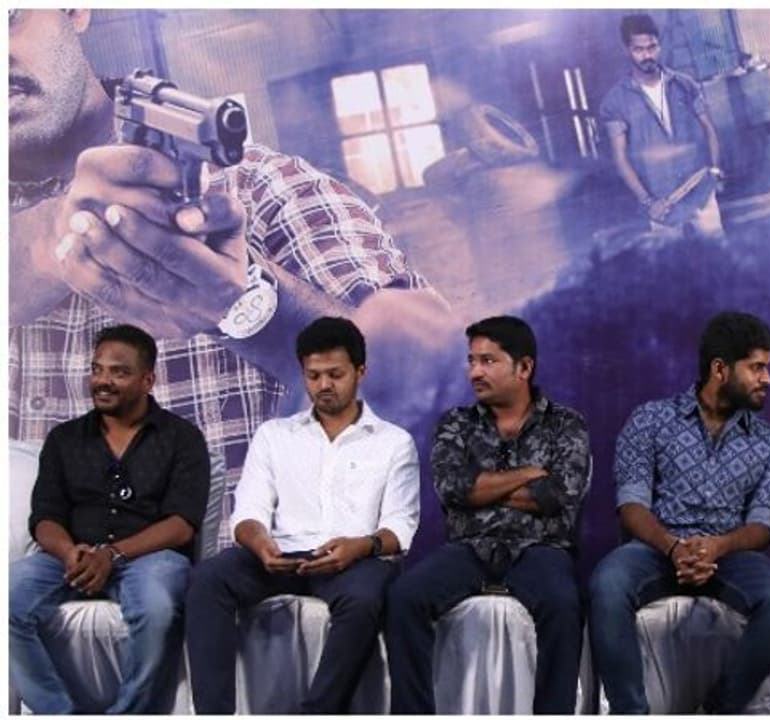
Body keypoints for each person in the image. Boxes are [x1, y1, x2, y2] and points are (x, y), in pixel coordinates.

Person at [9, 8, 456, 550]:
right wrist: (53, 235)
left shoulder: (268, 189)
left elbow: (436, 403)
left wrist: (254, 307)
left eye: (10, 18)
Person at [184, 317, 420, 713]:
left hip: (354, 560)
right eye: (313, 375)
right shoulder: (274, 435)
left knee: (364, 601)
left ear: (360, 371)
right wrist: (261, 545)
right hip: (281, 557)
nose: (324, 385)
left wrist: (358, 547)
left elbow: (400, 526)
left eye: (335, 374)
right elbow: (249, 512)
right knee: (208, 579)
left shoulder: (393, 442)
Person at [589, 311, 770, 713]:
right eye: (757, 368)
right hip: (655, 548)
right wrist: (673, 547)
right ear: (720, 369)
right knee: (607, 584)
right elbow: (632, 505)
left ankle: (719, 709)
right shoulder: (651, 419)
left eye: (767, 368)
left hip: (730, 555)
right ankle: (629, 711)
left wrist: (717, 546)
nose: (768, 379)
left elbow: (762, 525)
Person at [386, 316, 589, 714]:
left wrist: (482, 490)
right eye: (472, 360)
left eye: (488, 361)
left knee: (564, 605)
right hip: (468, 547)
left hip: (540, 547)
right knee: (405, 598)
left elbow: (558, 495)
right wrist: (529, 475)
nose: (475, 372)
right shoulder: (456, 424)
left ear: (524, 367)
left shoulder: (566, 424)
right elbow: (453, 489)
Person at [9, 324, 211, 714]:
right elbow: (45, 516)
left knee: (156, 609)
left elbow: (182, 524)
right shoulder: (64, 439)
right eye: (97, 369)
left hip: (150, 557)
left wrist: (112, 554)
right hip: (70, 557)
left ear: (148, 380)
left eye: (119, 372)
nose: (103, 381)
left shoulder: (182, 438)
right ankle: (56, 712)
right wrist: (69, 552)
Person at [599, 13, 725, 240]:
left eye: (652, 47)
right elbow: (620, 158)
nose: (647, 55)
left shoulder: (685, 85)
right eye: (639, 50)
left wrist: (714, 171)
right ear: (627, 50)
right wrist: (648, 202)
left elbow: (709, 128)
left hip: (700, 192)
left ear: (659, 45)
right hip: (661, 205)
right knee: (670, 261)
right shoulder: (615, 102)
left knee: (718, 254)